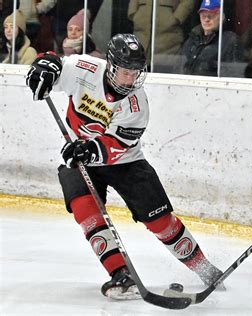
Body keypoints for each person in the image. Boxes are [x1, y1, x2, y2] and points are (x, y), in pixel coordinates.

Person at [25, 33, 224, 299]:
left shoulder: (137, 105)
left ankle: (203, 267)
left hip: (125, 162)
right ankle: (120, 275)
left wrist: (86, 148)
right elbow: (51, 63)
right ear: (110, 65)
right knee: (85, 208)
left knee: (160, 221)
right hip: (79, 158)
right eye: (125, 72)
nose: (130, 79)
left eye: (135, 73)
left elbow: (116, 146)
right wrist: (42, 69)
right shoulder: (85, 70)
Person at [178, 0, 243, 77]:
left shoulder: (229, 41)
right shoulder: (192, 40)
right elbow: (178, 70)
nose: (206, 20)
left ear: (221, 16)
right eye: (203, 16)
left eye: (211, 16)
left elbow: (232, 77)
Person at [128, 0, 193, 72]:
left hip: (168, 43)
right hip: (141, 35)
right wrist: (134, 13)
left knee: (164, 76)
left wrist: (176, 17)